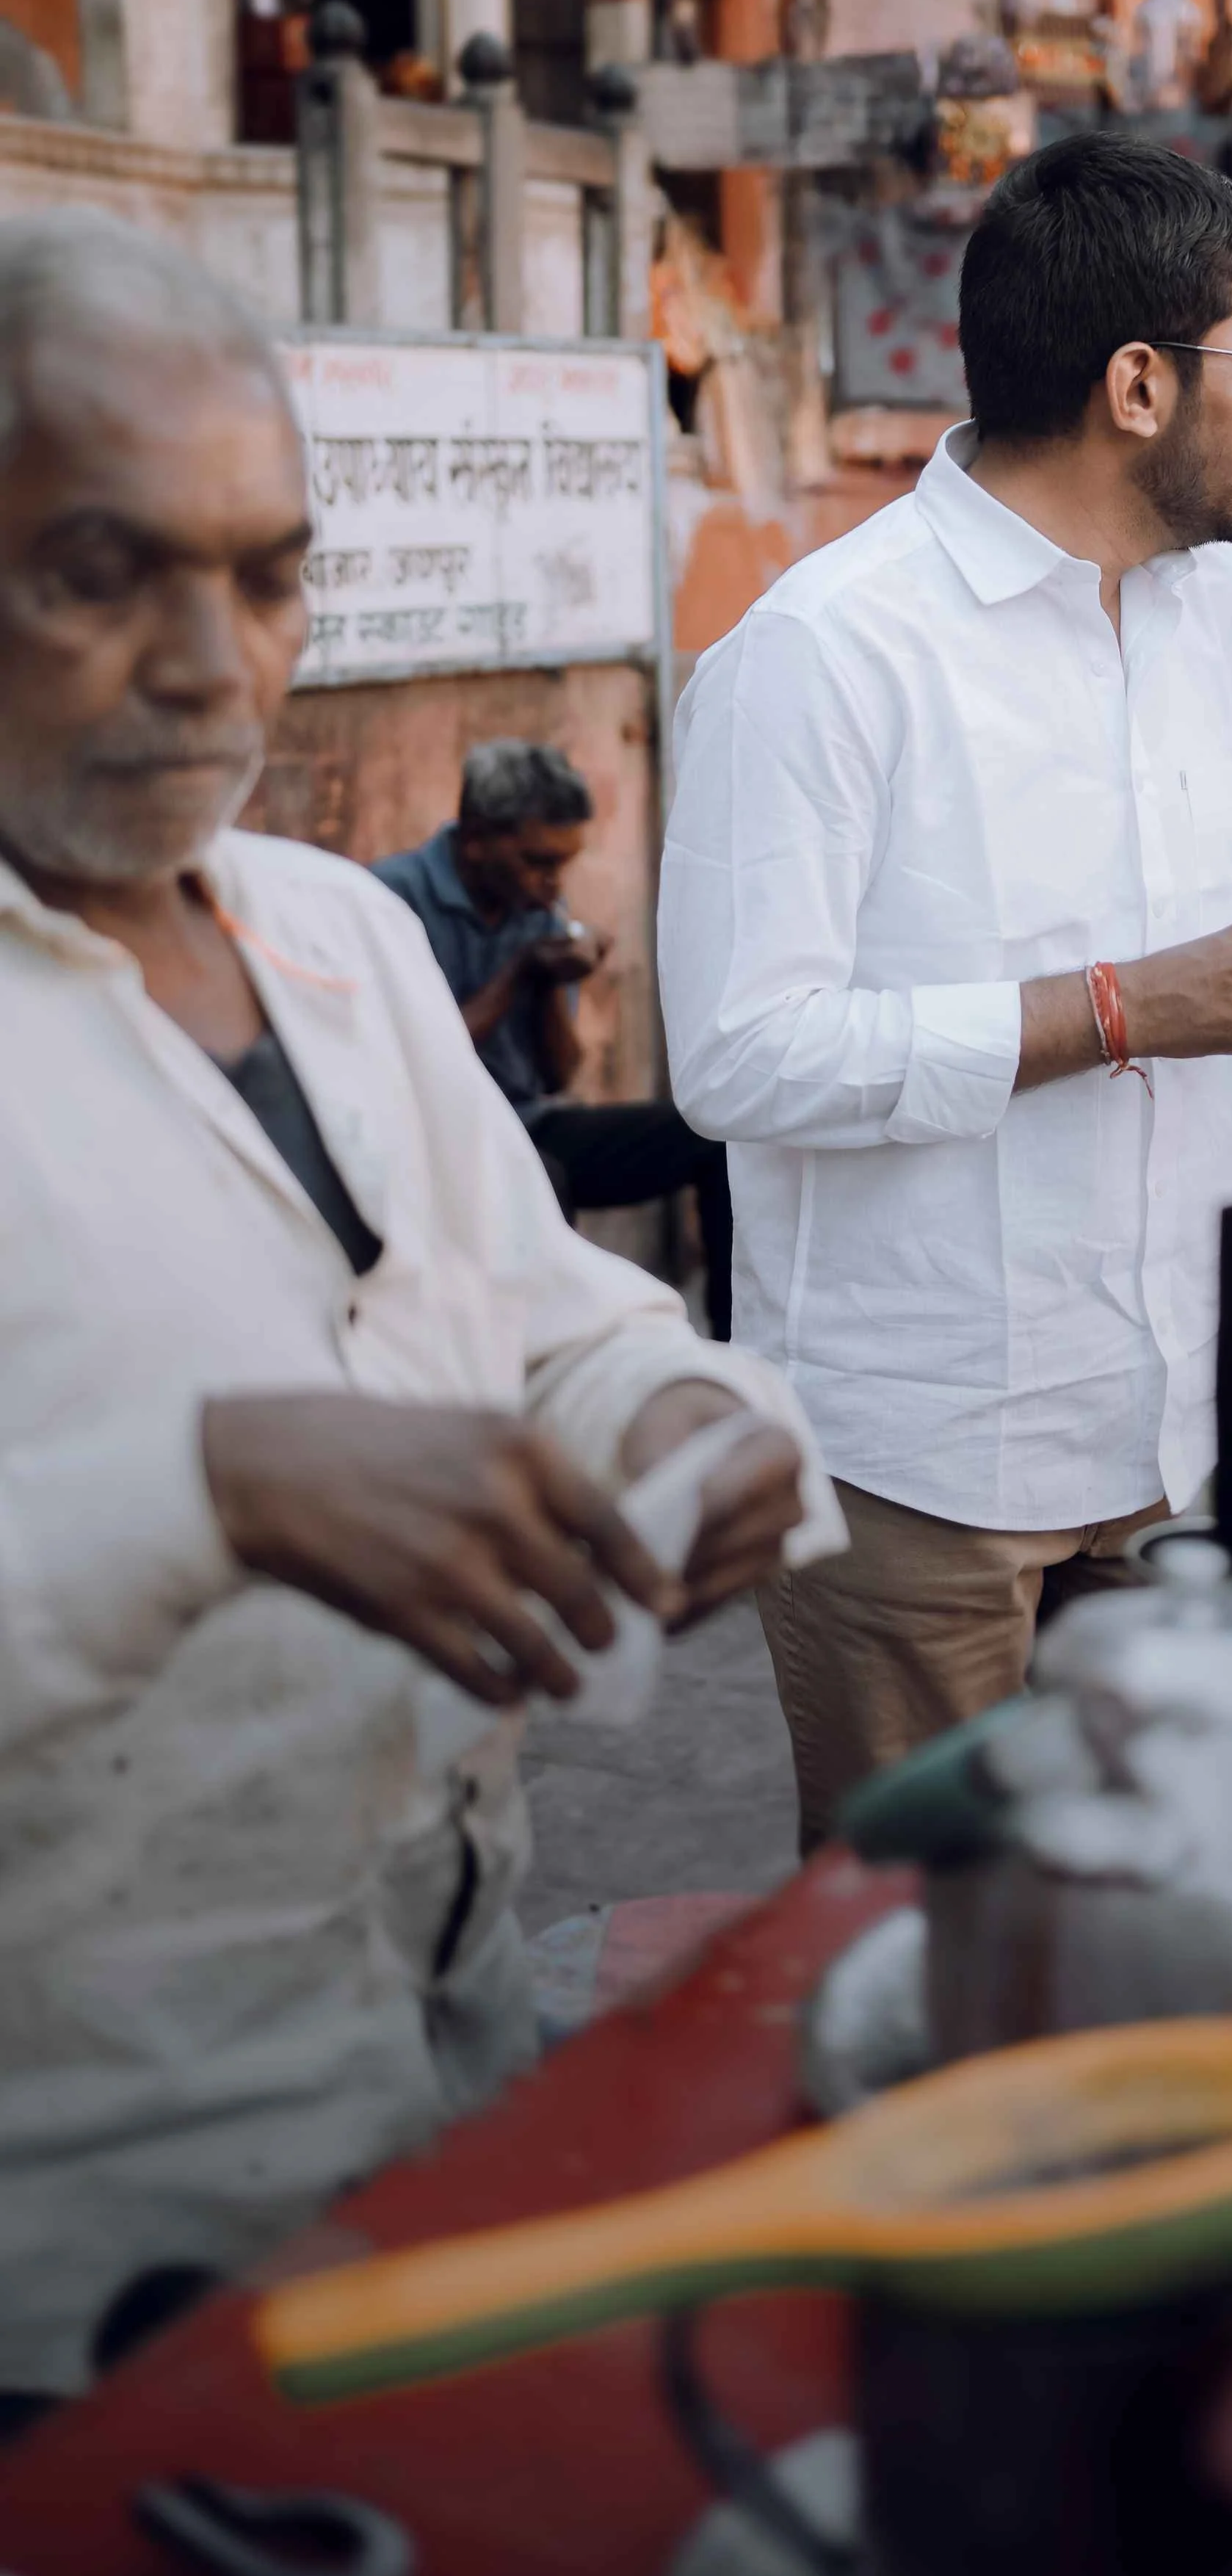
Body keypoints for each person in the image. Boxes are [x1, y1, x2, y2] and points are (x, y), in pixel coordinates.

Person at [0, 211, 830, 2409]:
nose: (214, 664)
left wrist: (677, 1409)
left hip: (439, 2072)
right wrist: (202, 1486)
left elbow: (539, 1308)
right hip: (67, 2241)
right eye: (101, 570)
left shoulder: (329, 935)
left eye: (267, 573)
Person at [660, 132, 1232, 1842]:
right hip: (923, 1459)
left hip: (1165, 1417)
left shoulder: (1211, 598)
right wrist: (1121, 1005)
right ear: (1137, 383)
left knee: (1161, 1914)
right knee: (932, 1933)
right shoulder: (821, 655)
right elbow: (740, 1056)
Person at [377, 742, 736, 1338]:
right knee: (541, 1175)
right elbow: (415, 1055)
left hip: (528, 1121)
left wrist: (552, 985)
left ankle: (734, 1342)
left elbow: (558, 1077)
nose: (552, 883)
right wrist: (517, 971)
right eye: (537, 861)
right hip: (432, 1134)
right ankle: (548, 1358)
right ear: (476, 839)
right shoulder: (391, 898)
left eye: (561, 865)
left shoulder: (534, 906)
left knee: (712, 1136)